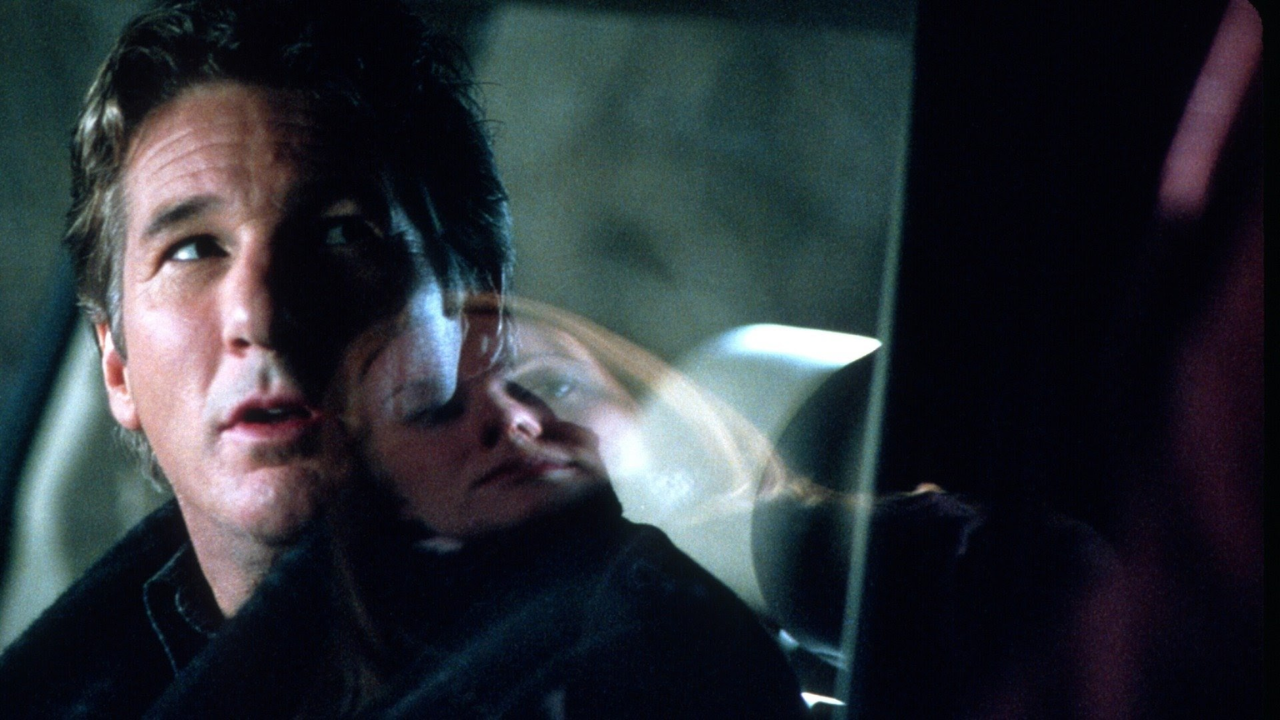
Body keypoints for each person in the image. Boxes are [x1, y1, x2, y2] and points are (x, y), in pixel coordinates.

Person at [0, 0, 510, 715]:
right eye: (192, 250)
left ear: (479, 324)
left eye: (341, 235)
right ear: (115, 366)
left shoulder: (617, 662)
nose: (259, 316)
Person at [331, 299, 808, 717]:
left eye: (554, 385)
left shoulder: (672, 613)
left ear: (638, 406)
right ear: (378, 482)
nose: (515, 420)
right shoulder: (337, 662)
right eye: (435, 409)